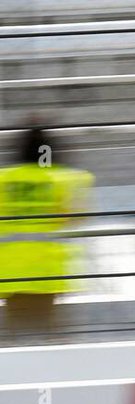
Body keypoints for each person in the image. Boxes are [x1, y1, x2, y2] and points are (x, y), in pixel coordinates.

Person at [0, 126, 94, 334]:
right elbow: (78, 216)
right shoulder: (64, 178)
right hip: (48, 268)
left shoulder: (3, 179)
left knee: (13, 334)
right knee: (50, 334)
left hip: (9, 269)